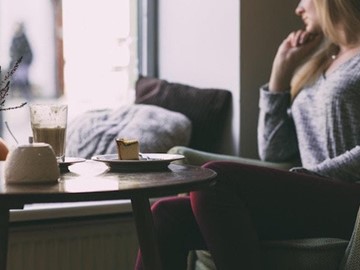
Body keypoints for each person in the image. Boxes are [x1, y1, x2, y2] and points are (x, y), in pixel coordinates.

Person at [135, 0, 360, 269]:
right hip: (310, 192)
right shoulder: (323, 60)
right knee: (165, 214)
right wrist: (280, 74)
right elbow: (276, 152)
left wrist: (310, 176)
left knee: (216, 178)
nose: (298, 9)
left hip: (348, 200)